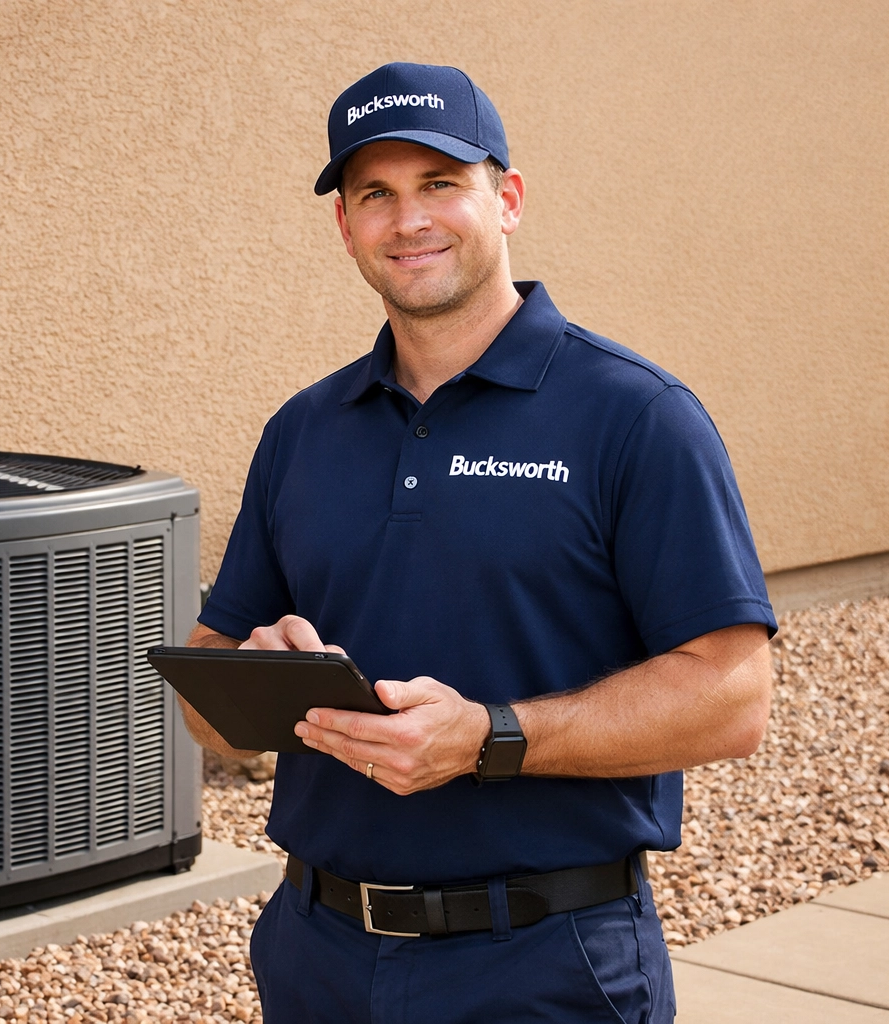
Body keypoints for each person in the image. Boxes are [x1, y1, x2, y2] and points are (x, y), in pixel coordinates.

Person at [185, 61, 777, 1024]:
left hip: (546, 964)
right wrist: (257, 677)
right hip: (316, 954)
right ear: (346, 227)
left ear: (506, 200)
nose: (407, 219)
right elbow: (210, 699)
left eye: (440, 184)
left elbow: (733, 698)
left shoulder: (637, 418)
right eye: (375, 192)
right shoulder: (303, 429)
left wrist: (489, 739)